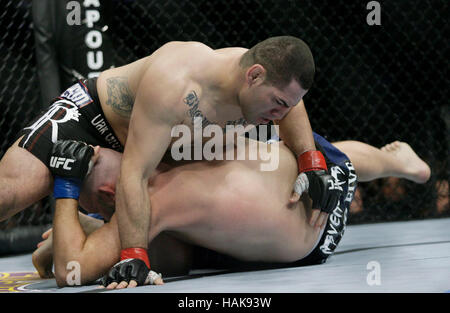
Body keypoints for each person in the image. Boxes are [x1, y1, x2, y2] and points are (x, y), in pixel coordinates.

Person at [0, 36, 342, 286]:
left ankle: (74, 237)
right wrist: (134, 255)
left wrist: (311, 160)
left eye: (286, 105)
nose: (281, 113)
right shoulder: (177, 83)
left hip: (156, 149)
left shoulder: (265, 88)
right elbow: (134, 173)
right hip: (93, 121)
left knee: (170, 249)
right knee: (10, 193)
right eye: (278, 103)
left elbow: (293, 106)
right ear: (253, 75)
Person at [32, 136, 430, 288]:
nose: (100, 148)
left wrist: (66, 190)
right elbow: (68, 267)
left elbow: (71, 269)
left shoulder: (155, 195)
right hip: (317, 179)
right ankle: (395, 163)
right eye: (96, 157)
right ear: (107, 190)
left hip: (312, 222)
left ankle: (397, 164)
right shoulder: (154, 171)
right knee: (334, 156)